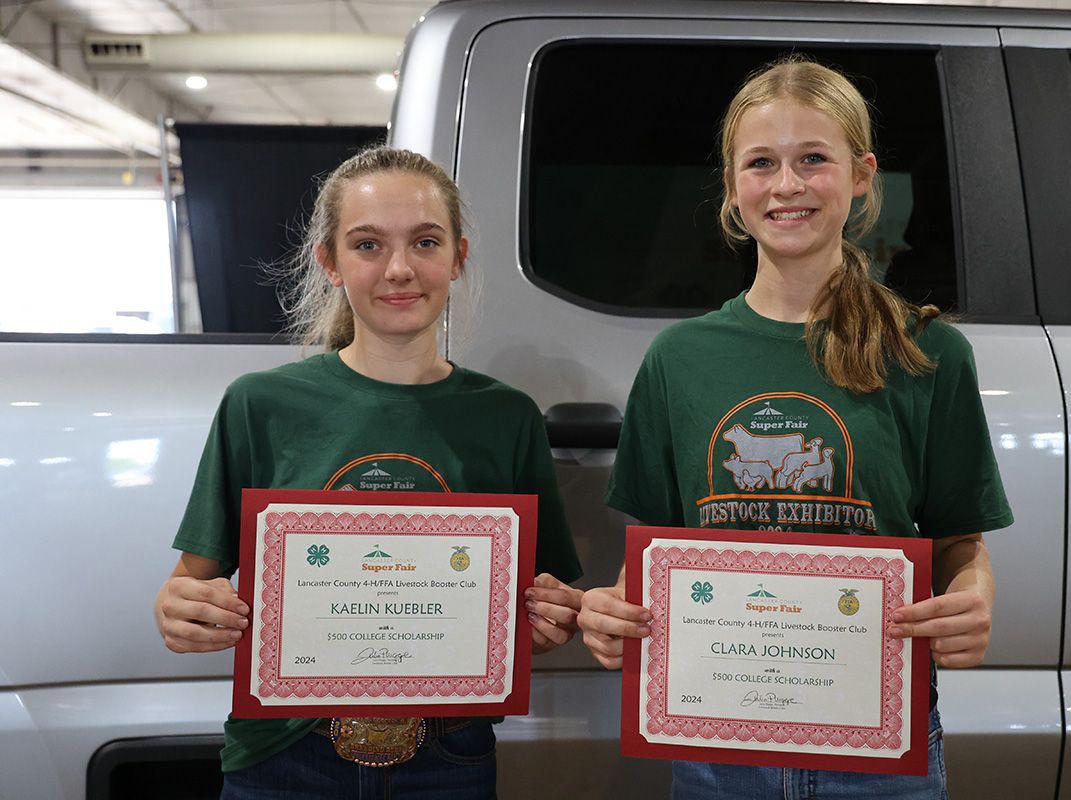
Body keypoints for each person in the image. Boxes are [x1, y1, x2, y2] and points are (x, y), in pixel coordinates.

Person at [577, 56, 1012, 799]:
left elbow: (958, 541)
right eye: (762, 163)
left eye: (814, 159)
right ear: (731, 185)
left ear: (862, 174)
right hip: (717, 752)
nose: (787, 185)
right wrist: (611, 611)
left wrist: (974, 602)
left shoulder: (927, 351)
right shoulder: (680, 359)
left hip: (879, 752)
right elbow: (654, 553)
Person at [154, 145, 584, 799]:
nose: (400, 269)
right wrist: (180, 611)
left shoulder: (507, 416)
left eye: (426, 241)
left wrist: (549, 621)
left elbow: (536, 613)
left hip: (449, 756)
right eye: (367, 245)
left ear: (458, 258)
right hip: (285, 753)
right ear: (329, 262)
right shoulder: (260, 406)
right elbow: (190, 585)